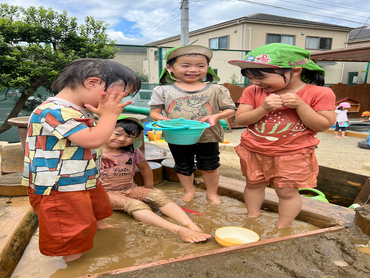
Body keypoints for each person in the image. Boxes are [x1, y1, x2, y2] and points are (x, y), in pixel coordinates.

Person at [22, 58, 141, 262]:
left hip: (80, 176)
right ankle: (75, 262)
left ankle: (99, 228)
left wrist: (98, 156)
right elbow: (93, 139)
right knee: (70, 229)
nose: (119, 102)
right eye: (119, 95)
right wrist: (111, 115)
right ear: (92, 83)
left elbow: (76, 141)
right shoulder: (55, 110)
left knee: (96, 207)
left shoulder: (76, 108)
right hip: (60, 186)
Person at [228, 43, 336, 228]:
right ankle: (252, 218)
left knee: (286, 192)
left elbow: (324, 124)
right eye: (250, 77)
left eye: (260, 77)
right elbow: (242, 119)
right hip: (253, 149)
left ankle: (282, 226)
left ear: (295, 71)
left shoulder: (320, 93)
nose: (254, 82)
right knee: (253, 184)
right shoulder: (253, 91)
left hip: (292, 153)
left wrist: (301, 106)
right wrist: (264, 108)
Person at [100, 115, 212, 243]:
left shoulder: (133, 152)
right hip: (106, 193)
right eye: (117, 134)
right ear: (106, 131)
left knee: (158, 194)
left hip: (130, 189)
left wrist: (149, 187)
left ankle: (190, 225)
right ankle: (178, 230)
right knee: (135, 204)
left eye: (130, 136)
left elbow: (145, 168)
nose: (122, 139)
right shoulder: (93, 152)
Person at [149, 45, 236, 204]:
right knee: (183, 165)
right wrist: (160, 118)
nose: (193, 70)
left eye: (200, 66)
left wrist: (217, 116)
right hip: (178, 135)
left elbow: (230, 110)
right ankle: (189, 191)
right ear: (170, 68)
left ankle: (212, 194)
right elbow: (154, 112)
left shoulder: (217, 89)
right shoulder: (162, 90)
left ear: (207, 68)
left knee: (210, 165)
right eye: (186, 65)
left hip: (208, 135)